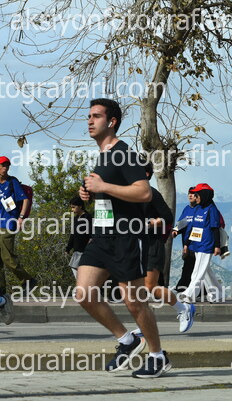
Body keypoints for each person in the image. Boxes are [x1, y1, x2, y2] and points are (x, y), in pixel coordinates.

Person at [77, 98, 170, 378]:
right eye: (89, 116)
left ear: (112, 122)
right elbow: (111, 194)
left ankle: (157, 355)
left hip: (126, 238)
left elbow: (144, 192)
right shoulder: (104, 155)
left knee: (135, 302)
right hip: (102, 237)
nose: (90, 121)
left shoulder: (123, 153)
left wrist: (103, 185)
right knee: (84, 294)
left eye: (96, 116)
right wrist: (91, 193)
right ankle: (127, 340)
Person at [139, 162, 194, 333]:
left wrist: (151, 223)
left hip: (152, 245)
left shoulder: (152, 194)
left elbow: (168, 217)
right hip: (136, 246)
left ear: (146, 174)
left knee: (150, 287)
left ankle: (183, 308)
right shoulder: (130, 196)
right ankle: (143, 325)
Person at [0, 155, 36, 294]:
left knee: (7, 257)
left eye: (7, 165)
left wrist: (21, 218)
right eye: (3, 165)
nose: (5, 167)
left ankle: (28, 280)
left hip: (9, 222)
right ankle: (1, 291)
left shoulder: (12, 181)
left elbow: (25, 199)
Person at [181, 184, 222, 303]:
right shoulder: (198, 208)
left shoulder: (212, 209)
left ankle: (190, 294)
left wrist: (217, 246)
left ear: (204, 195)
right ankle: (217, 294)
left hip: (206, 244)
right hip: (196, 244)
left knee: (198, 271)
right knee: (206, 271)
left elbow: (215, 228)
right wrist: (187, 243)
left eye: (197, 195)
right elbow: (192, 227)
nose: (195, 197)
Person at [173, 187, 197, 292]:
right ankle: (200, 290)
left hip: (195, 244)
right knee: (189, 265)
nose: (190, 195)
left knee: (191, 266)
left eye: (193, 194)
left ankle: (183, 288)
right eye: (189, 193)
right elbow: (181, 224)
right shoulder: (187, 209)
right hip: (186, 244)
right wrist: (176, 231)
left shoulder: (200, 209)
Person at [65, 196, 93, 278]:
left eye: (73, 207)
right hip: (76, 251)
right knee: (76, 272)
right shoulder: (76, 218)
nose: (72, 209)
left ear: (80, 206)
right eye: (71, 207)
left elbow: (92, 234)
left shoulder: (88, 217)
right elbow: (73, 235)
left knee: (83, 275)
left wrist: (89, 247)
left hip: (85, 251)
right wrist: (68, 249)